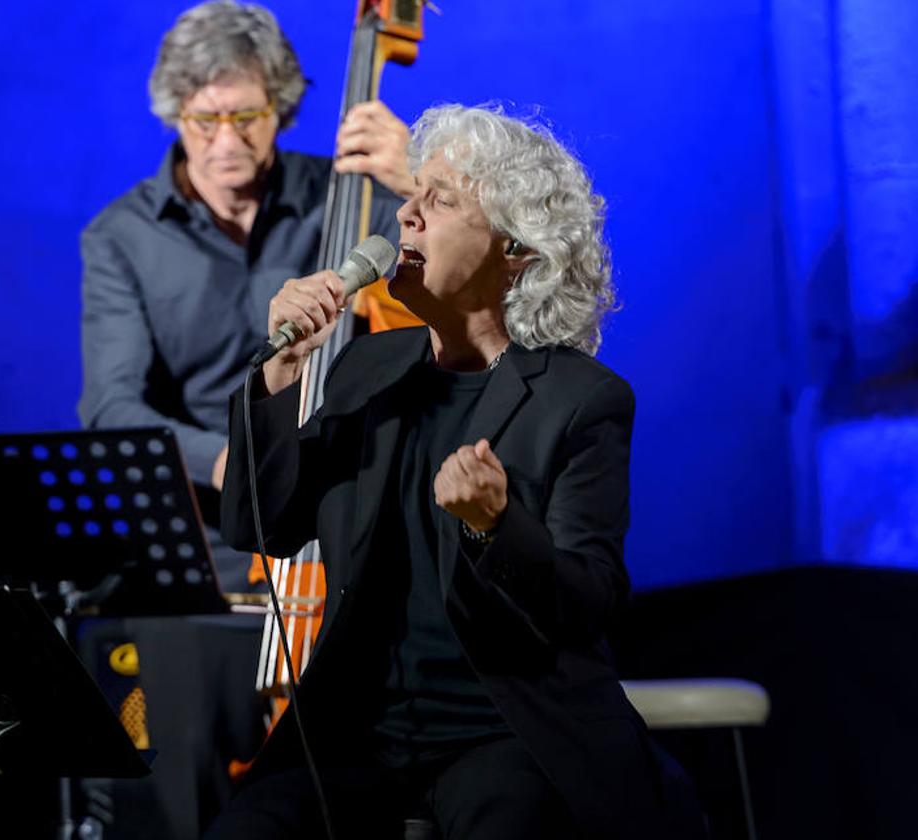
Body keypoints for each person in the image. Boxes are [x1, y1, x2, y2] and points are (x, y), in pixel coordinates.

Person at [210, 104, 704, 838]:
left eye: (438, 200)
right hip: (358, 730)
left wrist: (497, 528)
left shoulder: (582, 400)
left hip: (504, 729)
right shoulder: (368, 365)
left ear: (516, 249)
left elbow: (589, 602)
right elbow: (263, 524)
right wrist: (280, 374)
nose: (404, 217)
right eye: (411, 196)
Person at [75, 3, 413, 838]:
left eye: (248, 116)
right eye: (205, 118)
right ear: (175, 115)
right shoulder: (120, 237)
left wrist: (412, 180)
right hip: (208, 556)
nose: (227, 140)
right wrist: (234, 459)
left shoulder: (353, 201)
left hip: (338, 545)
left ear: (283, 109)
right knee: (182, 772)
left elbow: (458, 294)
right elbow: (112, 407)